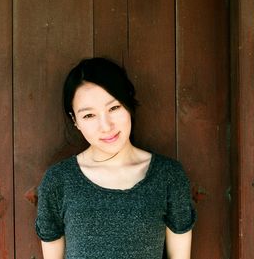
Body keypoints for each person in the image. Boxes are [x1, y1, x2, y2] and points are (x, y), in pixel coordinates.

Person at [35, 57, 196, 258]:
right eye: (89, 115)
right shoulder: (58, 181)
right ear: (75, 120)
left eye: (114, 108)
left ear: (128, 103)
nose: (106, 126)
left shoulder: (168, 176)